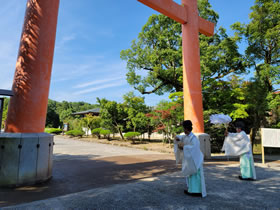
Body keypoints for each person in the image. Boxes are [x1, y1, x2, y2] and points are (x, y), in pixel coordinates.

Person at [174, 120, 207, 197]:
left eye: (184, 129)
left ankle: (196, 191)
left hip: (195, 161)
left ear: (186, 129)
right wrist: (177, 138)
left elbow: (193, 149)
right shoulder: (186, 136)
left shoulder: (193, 138)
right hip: (190, 160)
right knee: (190, 175)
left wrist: (184, 147)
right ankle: (191, 190)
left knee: (195, 175)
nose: (183, 131)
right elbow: (181, 137)